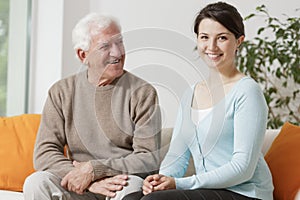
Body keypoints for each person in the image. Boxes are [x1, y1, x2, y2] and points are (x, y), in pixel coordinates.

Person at [123, 2, 274, 200]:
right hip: (212, 191)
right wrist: (161, 180)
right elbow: (177, 156)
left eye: (222, 38)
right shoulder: (191, 94)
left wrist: (180, 183)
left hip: (246, 192)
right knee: (132, 199)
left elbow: (242, 168)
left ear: (239, 41)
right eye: (204, 37)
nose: (211, 47)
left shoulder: (247, 92)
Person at [23, 13, 161, 200]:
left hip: (118, 183)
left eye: (119, 42)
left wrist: (96, 170)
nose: (117, 52)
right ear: (83, 55)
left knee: (133, 187)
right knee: (37, 182)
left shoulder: (142, 92)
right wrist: (87, 180)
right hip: (78, 185)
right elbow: (44, 153)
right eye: (105, 46)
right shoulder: (61, 92)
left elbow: (148, 158)